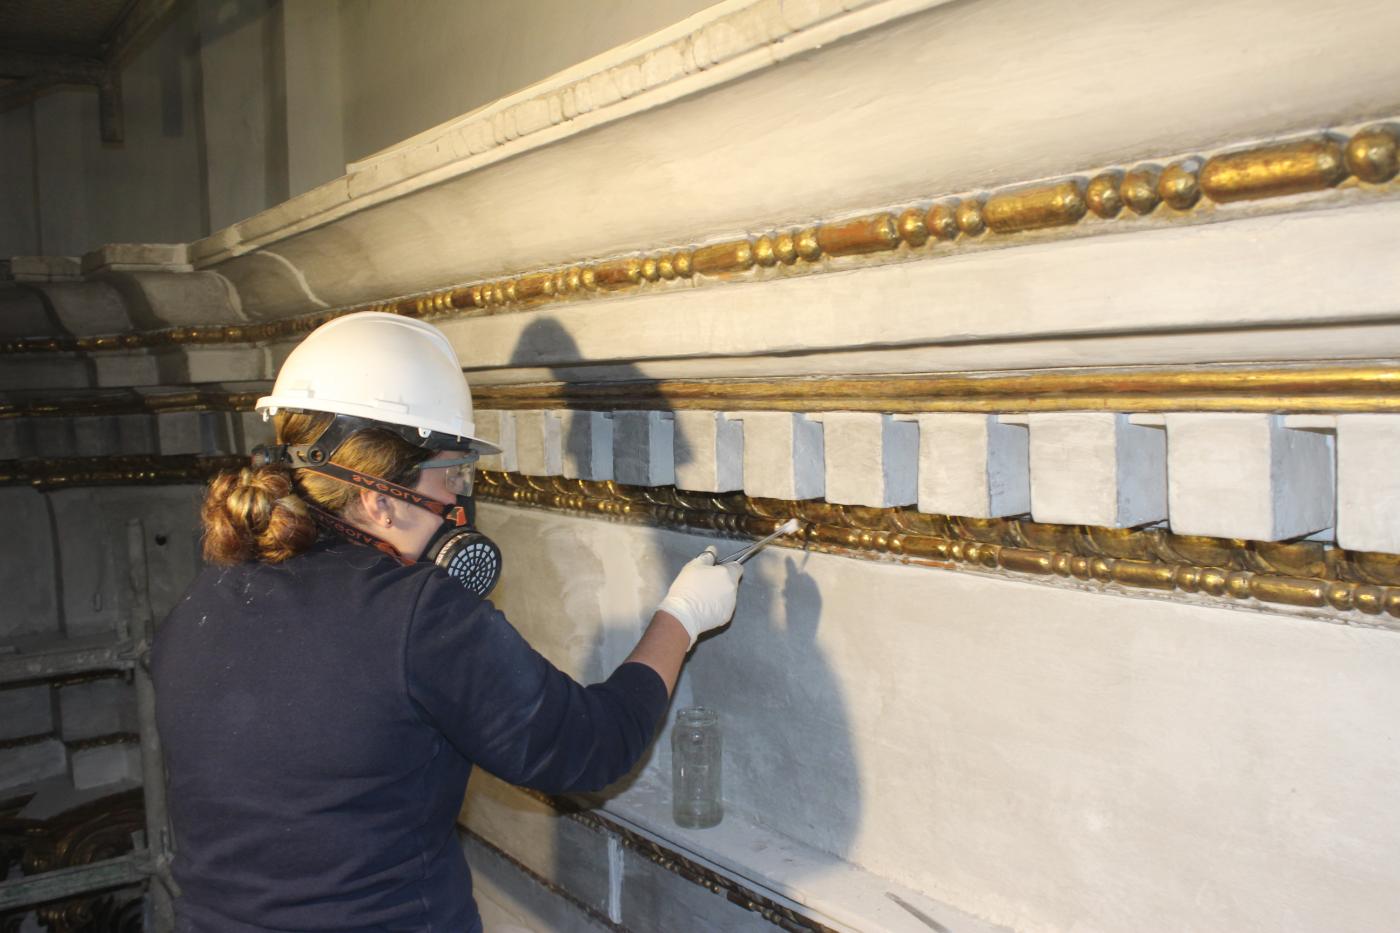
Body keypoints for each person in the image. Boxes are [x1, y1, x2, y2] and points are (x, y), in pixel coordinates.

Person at [152, 312, 743, 932]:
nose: (455, 507)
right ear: (378, 496)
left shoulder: (210, 591)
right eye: (448, 478)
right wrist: (680, 618)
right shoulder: (413, 613)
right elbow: (587, 747)